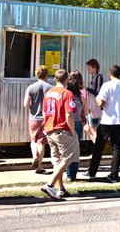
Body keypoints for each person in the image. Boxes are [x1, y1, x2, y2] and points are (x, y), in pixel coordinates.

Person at [83, 65, 120, 183]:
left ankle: (92, 172)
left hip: (107, 120)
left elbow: (101, 103)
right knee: (117, 148)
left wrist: (96, 99)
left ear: (110, 74)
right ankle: (114, 175)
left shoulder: (107, 85)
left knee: (99, 147)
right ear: (119, 73)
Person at [41, 69, 78, 200]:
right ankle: (50, 184)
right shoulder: (67, 94)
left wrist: (45, 128)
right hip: (62, 129)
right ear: (66, 80)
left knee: (57, 161)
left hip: (49, 129)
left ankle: (61, 189)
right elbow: (69, 114)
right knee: (68, 158)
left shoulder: (48, 93)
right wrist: (72, 131)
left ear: (55, 79)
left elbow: (45, 113)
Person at [23, 65, 52, 174]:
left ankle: (35, 156)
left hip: (33, 118)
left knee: (33, 140)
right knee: (41, 142)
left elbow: (26, 104)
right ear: (47, 75)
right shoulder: (50, 87)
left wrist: (31, 108)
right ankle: (39, 167)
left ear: (36, 74)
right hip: (46, 119)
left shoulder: (31, 87)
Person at [65, 71, 88, 181]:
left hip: (66, 124)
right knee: (75, 150)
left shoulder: (65, 97)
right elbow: (86, 112)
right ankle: (72, 175)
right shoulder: (81, 97)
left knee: (66, 150)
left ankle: (67, 173)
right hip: (78, 124)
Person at [85, 59, 103, 143]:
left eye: (89, 68)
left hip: (95, 107)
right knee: (88, 128)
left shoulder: (98, 77)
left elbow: (98, 91)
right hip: (90, 107)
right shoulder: (94, 77)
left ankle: (97, 148)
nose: (88, 70)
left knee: (93, 128)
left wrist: (87, 88)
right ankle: (96, 147)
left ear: (94, 67)